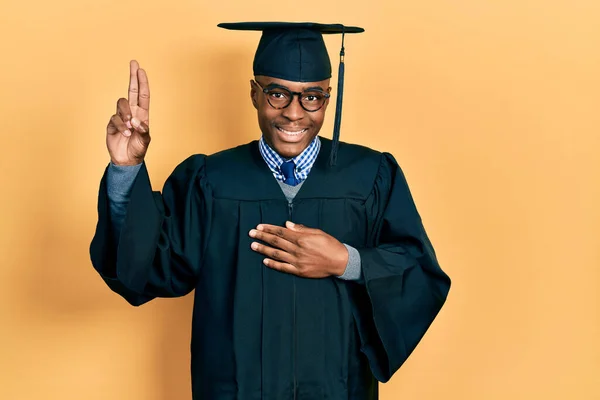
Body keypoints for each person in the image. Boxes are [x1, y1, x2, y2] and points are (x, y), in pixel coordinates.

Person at [90, 22, 451, 400]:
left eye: (312, 97)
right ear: (254, 93)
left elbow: (419, 272)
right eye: (278, 94)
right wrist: (125, 170)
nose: (295, 113)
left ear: (328, 97)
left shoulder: (372, 176)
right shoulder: (210, 181)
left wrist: (347, 261)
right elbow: (146, 269)